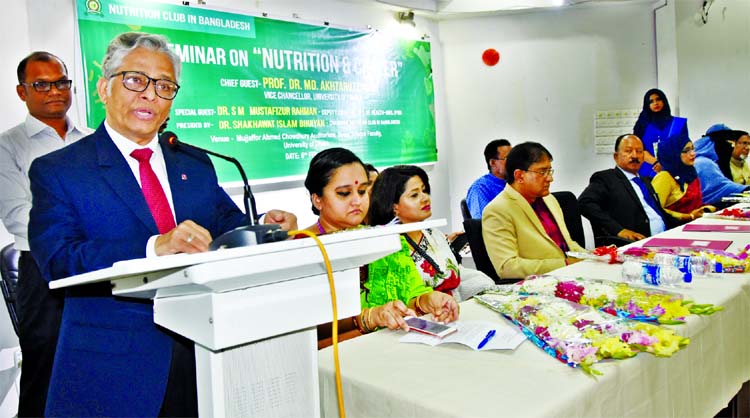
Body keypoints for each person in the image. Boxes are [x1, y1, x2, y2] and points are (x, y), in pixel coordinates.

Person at [27, 32, 295, 417]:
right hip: (117, 367)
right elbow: (58, 258)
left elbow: (228, 227)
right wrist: (154, 247)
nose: (150, 95)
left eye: (165, 86)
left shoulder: (194, 164)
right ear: (104, 88)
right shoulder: (60, 170)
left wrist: (264, 226)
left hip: (207, 350)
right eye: (136, 80)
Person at [0, 51, 91, 417]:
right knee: (46, 369)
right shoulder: (9, 146)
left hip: (95, 265)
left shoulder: (89, 141)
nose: (54, 91)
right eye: (41, 84)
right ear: (23, 92)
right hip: (42, 272)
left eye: (61, 82)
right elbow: (18, 215)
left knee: (93, 365)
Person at [300, 148, 459, 341]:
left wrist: (427, 300)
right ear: (317, 199)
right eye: (344, 193)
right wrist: (369, 317)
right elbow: (303, 327)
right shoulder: (303, 248)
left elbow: (413, 292)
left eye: (362, 191)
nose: (357, 201)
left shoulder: (383, 238)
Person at [369, 165, 494, 301]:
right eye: (414, 195)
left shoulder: (432, 233)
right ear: (394, 207)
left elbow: (455, 274)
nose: (425, 198)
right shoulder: (389, 247)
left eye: (424, 190)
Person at [482, 142, 585, 279]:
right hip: (539, 285)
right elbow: (507, 267)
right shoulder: (497, 210)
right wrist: (564, 264)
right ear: (519, 176)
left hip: (571, 276)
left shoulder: (549, 200)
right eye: (542, 172)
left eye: (550, 171)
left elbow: (567, 244)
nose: (550, 178)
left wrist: (592, 258)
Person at [579, 134, 675, 243]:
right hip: (635, 244)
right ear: (616, 156)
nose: (634, 156)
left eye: (639, 151)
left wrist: (689, 219)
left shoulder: (645, 181)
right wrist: (619, 230)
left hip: (664, 238)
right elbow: (584, 203)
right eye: (628, 151)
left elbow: (658, 212)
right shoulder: (606, 178)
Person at [651, 131, 715, 223]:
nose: (693, 154)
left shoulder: (691, 174)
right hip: (672, 228)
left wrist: (705, 209)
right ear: (673, 153)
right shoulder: (664, 177)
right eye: (686, 150)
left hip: (695, 224)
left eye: (693, 149)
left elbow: (695, 206)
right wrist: (687, 216)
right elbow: (654, 209)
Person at [632, 88, 690, 178]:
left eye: (658, 99)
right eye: (651, 101)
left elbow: (685, 148)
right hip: (648, 171)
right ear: (647, 105)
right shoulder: (642, 125)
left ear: (664, 101)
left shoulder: (678, 124)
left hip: (674, 171)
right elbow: (638, 150)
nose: (655, 103)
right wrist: (656, 162)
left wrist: (666, 165)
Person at [694, 124, 750, 206]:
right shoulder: (703, 163)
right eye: (728, 143)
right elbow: (721, 187)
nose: (730, 148)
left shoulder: (716, 162)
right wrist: (745, 189)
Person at [465, 139, 511, 218]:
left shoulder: (514, 183)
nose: (513, 162)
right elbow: (483, 223)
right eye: (508, 158)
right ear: (493, 162)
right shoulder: (480, 188)